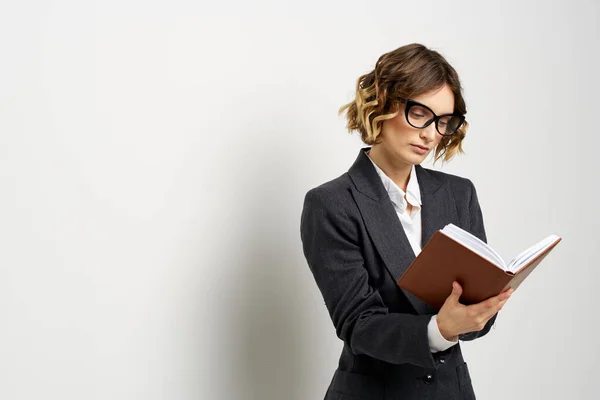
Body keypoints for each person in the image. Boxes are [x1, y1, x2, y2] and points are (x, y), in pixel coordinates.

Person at [299, 43, 514, 400]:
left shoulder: (458, 194)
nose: (430, 134)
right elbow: (358, 324)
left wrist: (481, 311)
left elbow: (478, 317)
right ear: (381, 103)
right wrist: (439, 329)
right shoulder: (331, 203)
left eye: (443, 122)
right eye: (419, 113)